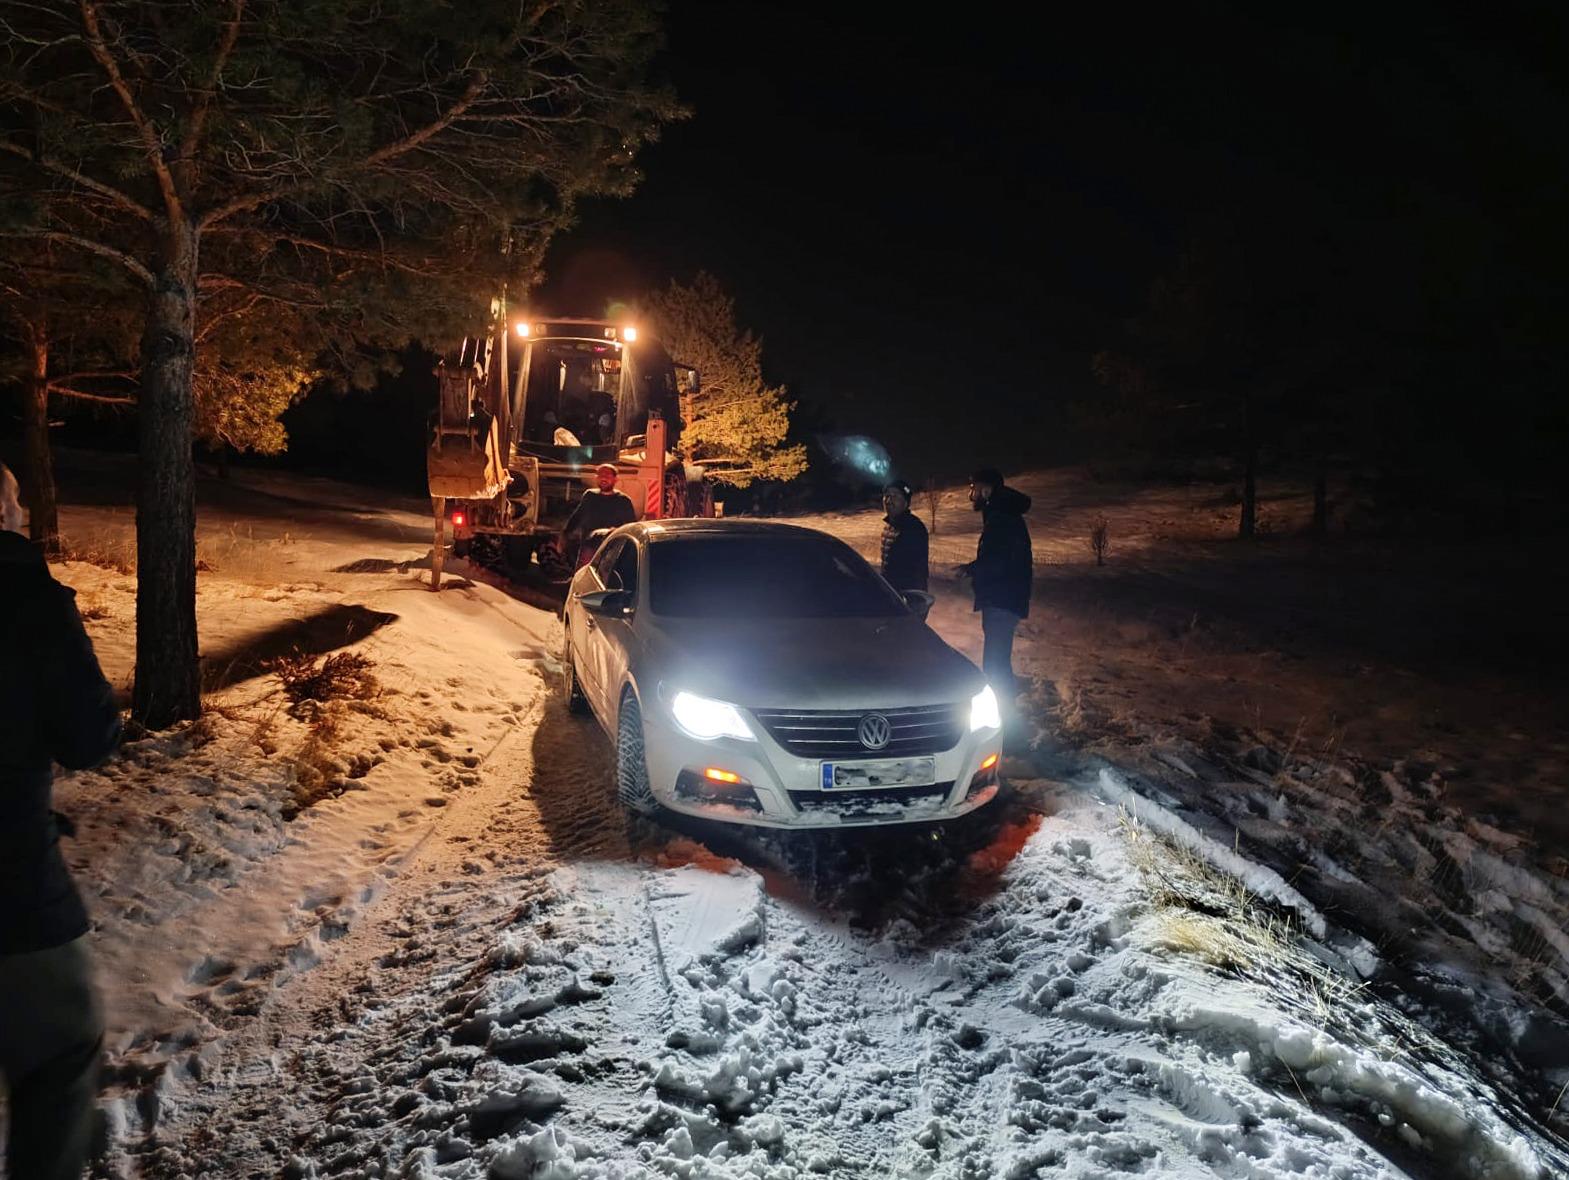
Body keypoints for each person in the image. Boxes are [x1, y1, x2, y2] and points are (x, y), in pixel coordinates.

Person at [0, 462, 122, 1179]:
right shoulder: (26, 601)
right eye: (14, 504)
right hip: (14, 892)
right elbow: (91, 737)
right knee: (62, 1054)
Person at [957, 467, 1033, 714]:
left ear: (987, 490)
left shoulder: (1001, 517)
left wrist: (974, 570)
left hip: (1002, 600)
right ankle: (1004, 716)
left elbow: (999, 561)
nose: (972, 494)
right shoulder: (1002, 514)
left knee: (995, 664)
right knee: (997, 661)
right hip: (1004, 599)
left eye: (975, 489)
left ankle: (1003, 720)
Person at [562, 463, 638, 568]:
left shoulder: (623, 501)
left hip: (611, 549)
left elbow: (631, 527)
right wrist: (565, 534)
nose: (603, 478)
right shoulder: (589, 496)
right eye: (600, 475)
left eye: (607, 475)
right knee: (582, 576)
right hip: (588, 548)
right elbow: (577, 517)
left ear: (615, 479)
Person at [880, 480, 929, 593]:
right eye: (886, 496)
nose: (888, 500)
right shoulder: (889, 527)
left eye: (895, 496)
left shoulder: (913, 528)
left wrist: (916, 600)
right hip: (891, 594)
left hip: (906, 597)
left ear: (906, 503)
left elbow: (919, 571)